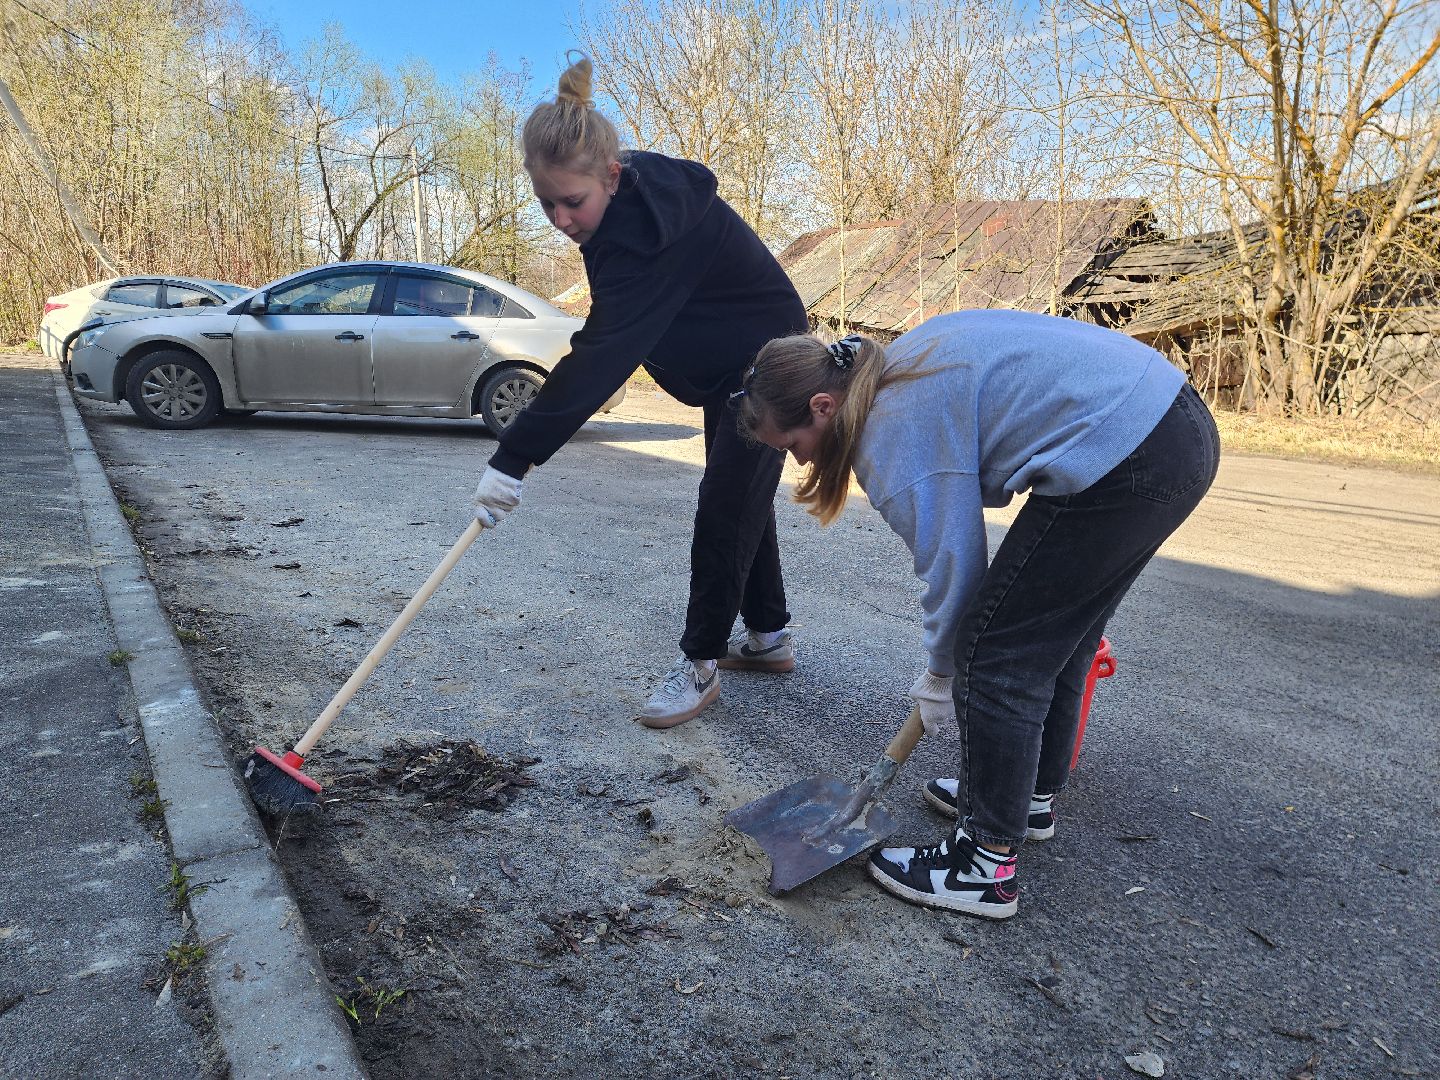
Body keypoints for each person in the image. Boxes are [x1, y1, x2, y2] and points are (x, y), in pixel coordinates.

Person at [735, 311, 1219, 919]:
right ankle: (1029, 796)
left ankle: (983, 867)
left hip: (1129, 451)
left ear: (824, 406)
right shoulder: (893, 371)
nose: (803, 463)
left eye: (795, 445)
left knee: (996, 654)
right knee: (1055, 638)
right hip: (1164, 423)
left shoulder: (891, 433)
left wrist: (943, 674)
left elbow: (955, 569)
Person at [470, 55, 808, 728]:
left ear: (612, 176)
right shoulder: (624, 203)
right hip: (725, 359)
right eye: (548, 204)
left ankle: (700, 663)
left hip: (767, 362)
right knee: (740, 495)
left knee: (724, 504)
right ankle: (769, 637)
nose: (563, 218)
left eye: (573, 202)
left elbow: (604, 352)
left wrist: (515, 457)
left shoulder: (646, 234)